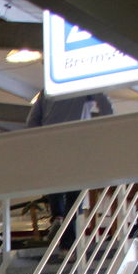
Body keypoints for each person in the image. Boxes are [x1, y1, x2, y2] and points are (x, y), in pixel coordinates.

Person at [25, 91, 113, 249]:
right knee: (74, 197)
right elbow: (104, 103)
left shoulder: (47, 91)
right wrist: (107, 125)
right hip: (77, 144)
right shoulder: (81, 85)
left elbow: (32, 121)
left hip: (51, 145)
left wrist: (38, 141)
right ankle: (67, 244)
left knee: (55, 186)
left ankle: (57, 216)